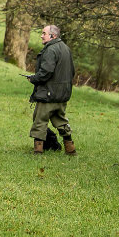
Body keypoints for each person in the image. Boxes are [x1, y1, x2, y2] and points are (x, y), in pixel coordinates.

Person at [25, 24, 76, 156]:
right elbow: (72, 71)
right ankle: (71, 151)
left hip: (48, 94)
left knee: (39, 121)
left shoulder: (50, 50)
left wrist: (34, 78)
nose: (41, 36)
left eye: (44, 33)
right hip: (63, 94)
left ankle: (38, 152)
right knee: (61, 121)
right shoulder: (66, 48)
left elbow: (46, 72)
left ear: (52, 36)